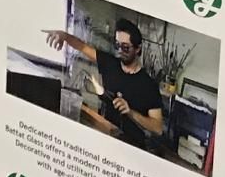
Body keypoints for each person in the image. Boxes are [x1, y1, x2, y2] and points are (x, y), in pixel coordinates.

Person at [45, 19, 164, 152]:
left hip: (132, 147)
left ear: (138, 48)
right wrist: (64, 36)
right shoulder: (110, 64)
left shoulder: (149, 86)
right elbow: (83, 47)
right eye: (117, 45)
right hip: (106, 136)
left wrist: (131, 112)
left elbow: (157, 128)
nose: (120, 51)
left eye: (125, 47)